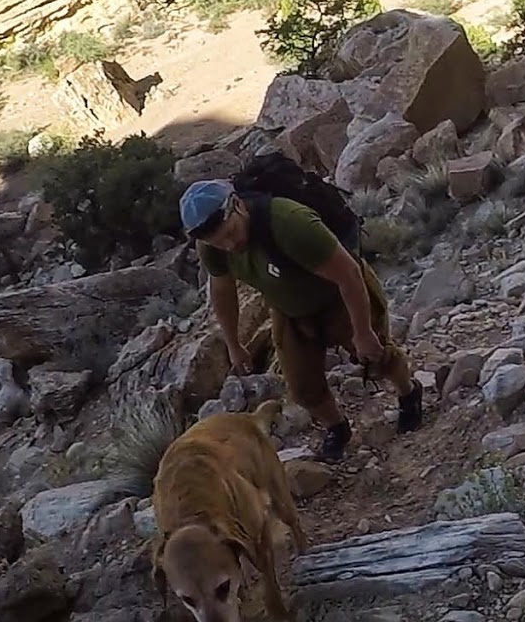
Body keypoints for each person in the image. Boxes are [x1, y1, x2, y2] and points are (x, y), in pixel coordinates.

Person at [181, 178, 424, 462]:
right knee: (302, 387)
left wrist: (363, 331)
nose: (229, 244)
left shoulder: (290, 223)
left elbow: (349, 275)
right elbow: (222, 292)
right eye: (218, 241)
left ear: (238, 205)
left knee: (376, 355)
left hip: (338, 295)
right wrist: (234, 343)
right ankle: (338, 427)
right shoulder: (213, 247)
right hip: (290, 309)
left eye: (231, 233)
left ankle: (409, 393)